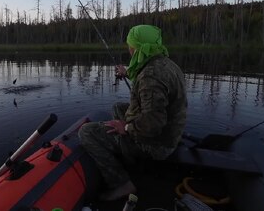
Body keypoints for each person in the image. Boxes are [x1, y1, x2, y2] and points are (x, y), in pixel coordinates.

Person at [78, 24, 187, 201]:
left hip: (156, 145)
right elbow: (149, 82)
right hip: (171, 134)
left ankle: (121, 184)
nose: (128, 48)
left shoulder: (150, 77)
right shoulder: (166, 64)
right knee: (118, 107)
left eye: (131, 45)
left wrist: (126, 128)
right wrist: (127, 72)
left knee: (87, 132)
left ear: (138, 47)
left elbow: (152, 123)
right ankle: (124, 151)